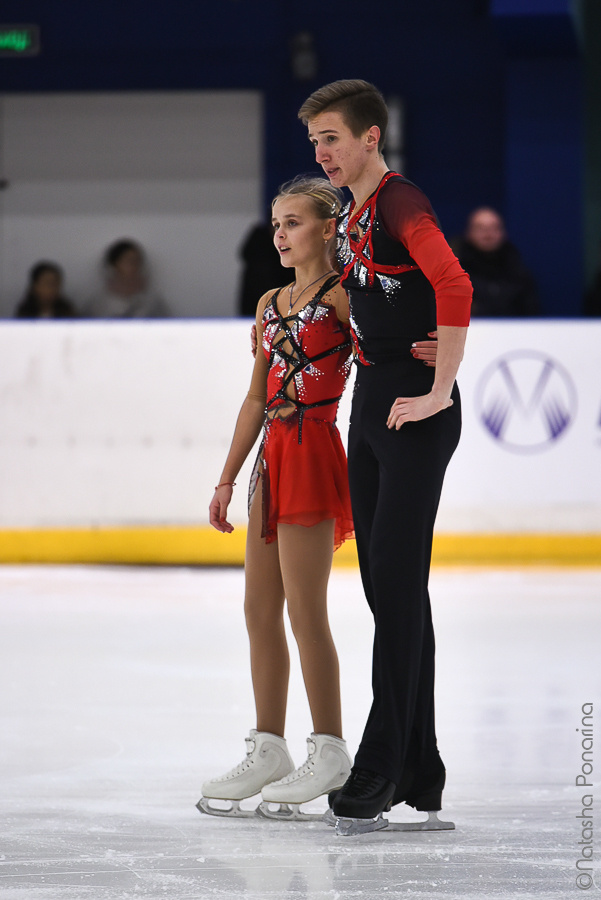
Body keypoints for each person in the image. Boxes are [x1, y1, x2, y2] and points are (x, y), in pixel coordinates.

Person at [299, 79, 472, 835]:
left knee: (396, 591)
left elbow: (454, 282)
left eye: (332, 138)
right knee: (390, 592)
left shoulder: (400, 203)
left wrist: (440, 388)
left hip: (412, 413)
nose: (322, 152)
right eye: (315, 141)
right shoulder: (351, 214)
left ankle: (379, 767)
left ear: (371, 137)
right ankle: (420, 768)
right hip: (370, 405)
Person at [197, 176, 356, 821]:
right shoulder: (269, 303)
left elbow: (387, 355)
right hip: (272, 458)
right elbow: (256, 396)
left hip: (314, 451)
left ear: (326, 228)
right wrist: (227, 479)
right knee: (259, 610)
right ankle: (269, 748)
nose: (280, 235)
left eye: (293, 223)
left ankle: (331, 748)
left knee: (305, 611)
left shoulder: (344, 295)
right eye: (276, 224)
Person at [454, 207, 539, 317]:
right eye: (480, 228)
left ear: (503, 233)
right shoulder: (456, 274)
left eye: (494, 228)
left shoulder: (518, 273)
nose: (488, 235)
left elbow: (531, 313)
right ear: (468, 233)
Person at [84, 239, 169, 318]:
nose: (135, 267)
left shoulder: (152, 302)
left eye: (138, 262)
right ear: (114, 265)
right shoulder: (98, 303)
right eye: (130, 261)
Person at [238, 218, 290, 316]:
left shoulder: (286, 250)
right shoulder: (259, 237)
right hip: (255, 295)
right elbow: (244, 254)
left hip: (278, 297)